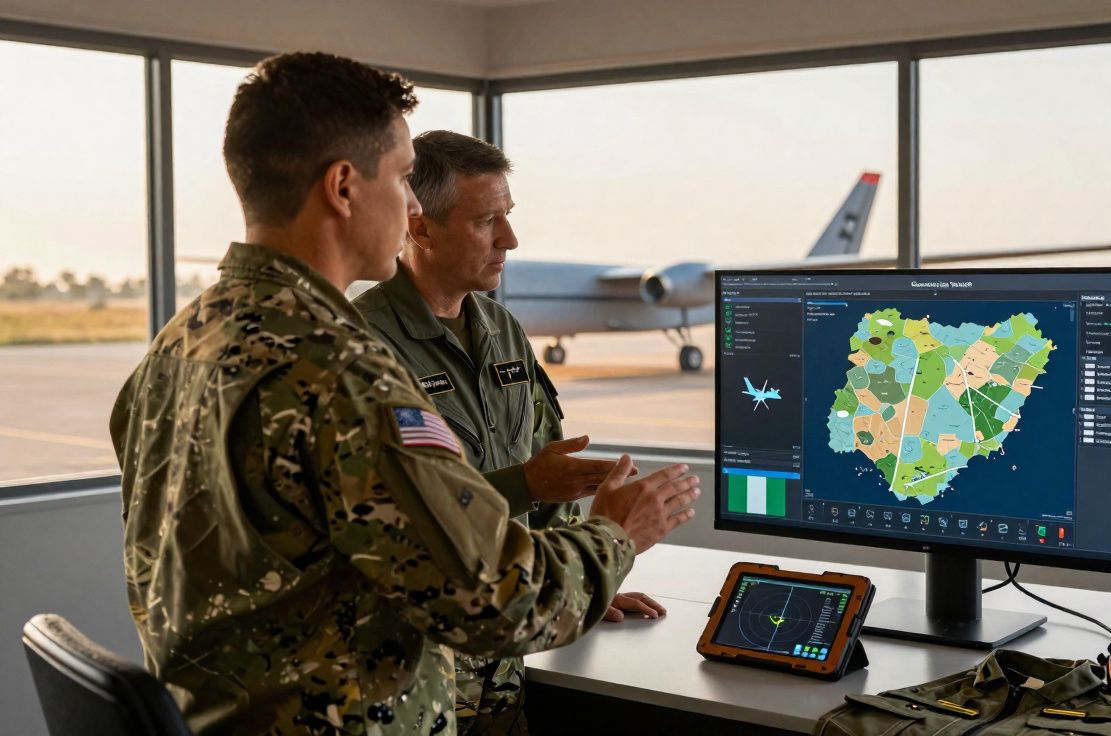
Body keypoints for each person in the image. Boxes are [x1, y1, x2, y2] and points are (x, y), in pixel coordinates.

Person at [109, 51, 698, 736]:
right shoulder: (339, 370)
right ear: (343, 187)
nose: (413, 204)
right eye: (400, 177)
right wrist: (616, 534)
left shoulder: (183, 341)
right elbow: (494, 605)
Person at [353, 130, 666, 734]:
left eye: (509, 218)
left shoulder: (502, 330)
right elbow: (409, 519)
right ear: (420, 227)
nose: (510, 240)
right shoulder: (365, 348)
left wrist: (581, 582)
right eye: (486, 222)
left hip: (508, 666)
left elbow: (548, 476)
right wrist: (529, 486)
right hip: (417, 683)